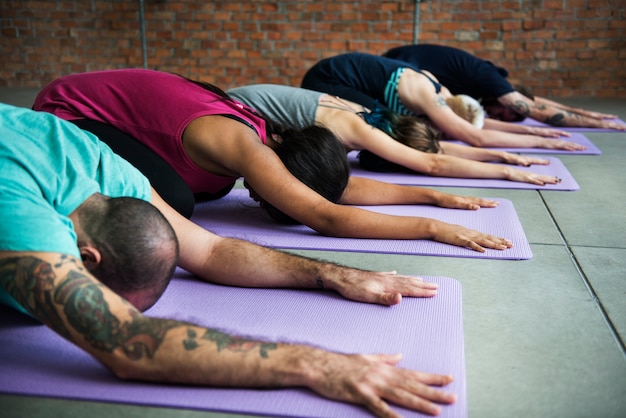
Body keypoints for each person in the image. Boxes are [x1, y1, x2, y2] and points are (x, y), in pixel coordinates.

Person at [1, 103, 457, 417]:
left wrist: (331, 274)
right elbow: (125, 341)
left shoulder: (114, 174)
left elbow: (212, 249)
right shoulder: (19, 214)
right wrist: (318, 365)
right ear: (85, 258)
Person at [34, 69, 514, 253]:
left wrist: (432, 199)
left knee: (202, 191)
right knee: (173, 204)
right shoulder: (249, 148)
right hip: (65, 114)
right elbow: (326, 216)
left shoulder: (279, 143)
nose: (268, 204)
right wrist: (433, 229)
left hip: (109, 111)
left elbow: (335, 194)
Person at [227, 84, 561, 185]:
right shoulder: (360, 129)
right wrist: (505, 171)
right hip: (228, 113)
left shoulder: (367, 116)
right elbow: (432, 165)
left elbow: (436, 153)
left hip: (236, 107)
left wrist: (500, 154)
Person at [300, 52, 587, 149]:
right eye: (450, 128)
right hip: (325, 80)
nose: (448, 134)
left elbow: (479, 126)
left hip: (342, 76)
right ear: (448, 116)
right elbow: (477, 138)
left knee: (399, 126)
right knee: (384, 126)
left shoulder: (449, 99)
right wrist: (543, 143)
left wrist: (533, 130)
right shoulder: (431, 99)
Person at [383, 43, 626, 131]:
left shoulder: (493, 88)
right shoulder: (490, 79)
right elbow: (537, 110)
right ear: (505, 98)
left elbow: (536, 101)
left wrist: (584, 111)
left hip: (402, 64)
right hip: (397, 67)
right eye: (505, 113)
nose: (498, 115)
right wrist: (600, 124)